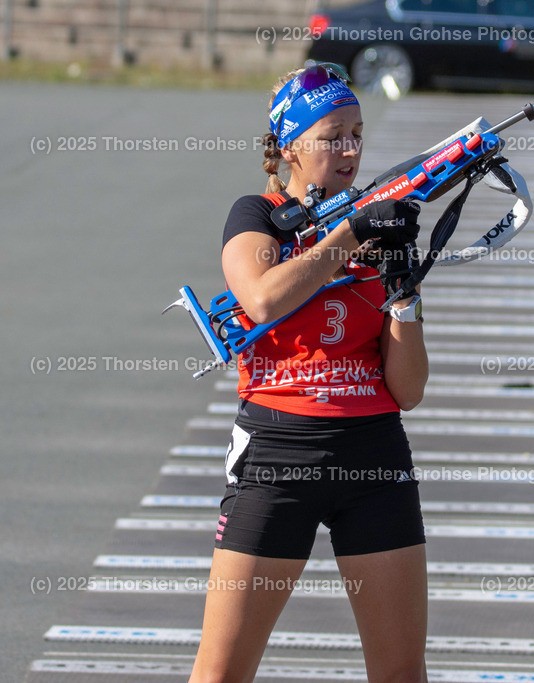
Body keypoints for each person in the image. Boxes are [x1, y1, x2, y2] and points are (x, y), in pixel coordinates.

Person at [189, 63, 430, 683]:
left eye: (357, 134)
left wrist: (404, 293)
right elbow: (262, 298)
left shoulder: (375, 218)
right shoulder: (258, 215)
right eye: (332, 136)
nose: (350, 150)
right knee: (221, 674)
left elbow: (408, 391)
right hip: (278, 451)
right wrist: (348, 236)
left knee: (401, 674)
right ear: (290, 146)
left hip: (374, 453)